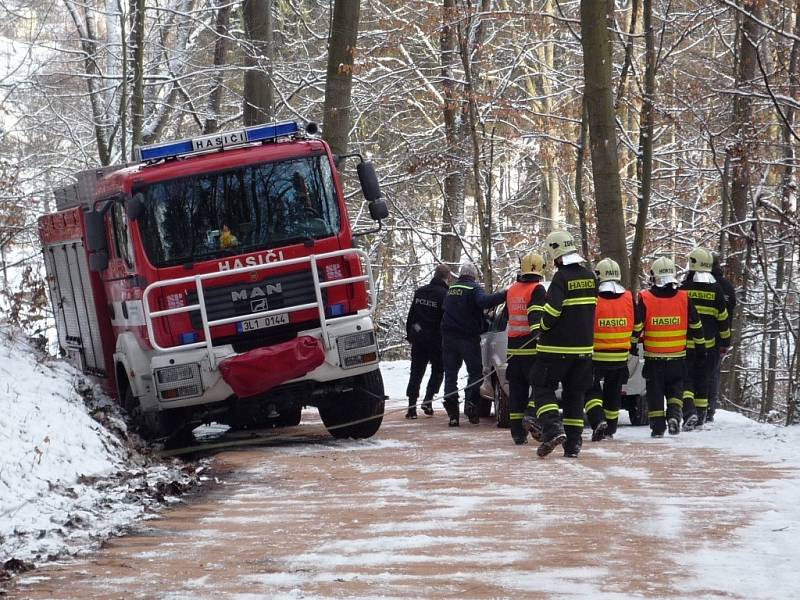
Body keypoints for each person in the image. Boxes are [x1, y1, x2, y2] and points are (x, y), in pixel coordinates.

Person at [523, 230, 597, 458]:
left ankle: (553, 428)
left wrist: (541, 327)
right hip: (583, 351)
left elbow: (553, 311)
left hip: (555, 349)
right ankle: (573, 445)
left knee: (542, 388)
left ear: (555, 253)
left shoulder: (561, 278)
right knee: (575, 396)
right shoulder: (590, 275)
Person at [636, 257, 705, 438]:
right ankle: (674, 415)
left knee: (655, 393)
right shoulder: (684, 297)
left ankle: (658, 427)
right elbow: (696, 324)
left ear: (654, 276)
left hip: (654, 357)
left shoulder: (646, 298)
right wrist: (700, 347)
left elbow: (637, 326)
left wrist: (632, 344)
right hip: (678, 357)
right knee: (675, 389)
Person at [440, 262, 507, 427]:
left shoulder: (451, 289)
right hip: (468, 338)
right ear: (473, 276)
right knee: (475, 372)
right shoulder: (473, 288)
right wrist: (505, 294)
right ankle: (471, 402)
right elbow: (485, 302)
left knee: (450, 375)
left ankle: (452, 413)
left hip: (448, 338)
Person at [584, 258, 637, 441]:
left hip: (595, 356)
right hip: (621, 357)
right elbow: (637, 325)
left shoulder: (593, 298)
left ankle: (598, 420)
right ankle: (611, 429)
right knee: (613, 392)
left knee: (590, 390)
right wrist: (634, 345)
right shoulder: (629, 298)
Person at [680, 247, 731, 428]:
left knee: (686, 381)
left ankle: (689, 412)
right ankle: (700, 416)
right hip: (709, 348)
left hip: (686, 346)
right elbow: (723, 320)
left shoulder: (685, 288)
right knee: (703, 381)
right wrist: (725, 342)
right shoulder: (717, 289)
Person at [505, 253, 547, 445]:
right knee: (540, 387)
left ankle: (517, 434)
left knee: (516, 392)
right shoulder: (538, 290)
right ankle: (530, 415)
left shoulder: (512, 290)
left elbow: (508, 315)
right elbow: (536, 318)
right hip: (531, 348)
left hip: (513, 349)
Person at [404, 263, 452, 419]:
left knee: (416, 372)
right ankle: (428, 399)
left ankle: (411, 407)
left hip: (419, 338)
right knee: (438, 370)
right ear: (447, 277)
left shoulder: (420, 292)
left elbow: (411, 316)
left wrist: (410, 335)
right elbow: (446, 320)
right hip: (436, 340)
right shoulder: (445, 295)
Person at [708, 254, 736, 422]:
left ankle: (692, 408)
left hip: (696, 337)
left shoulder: (699, 284)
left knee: (693, 374)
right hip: (720, 338)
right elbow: (730, 313)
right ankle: (709, 409)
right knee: (712, 374)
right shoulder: (727, 287)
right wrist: (726, 340)